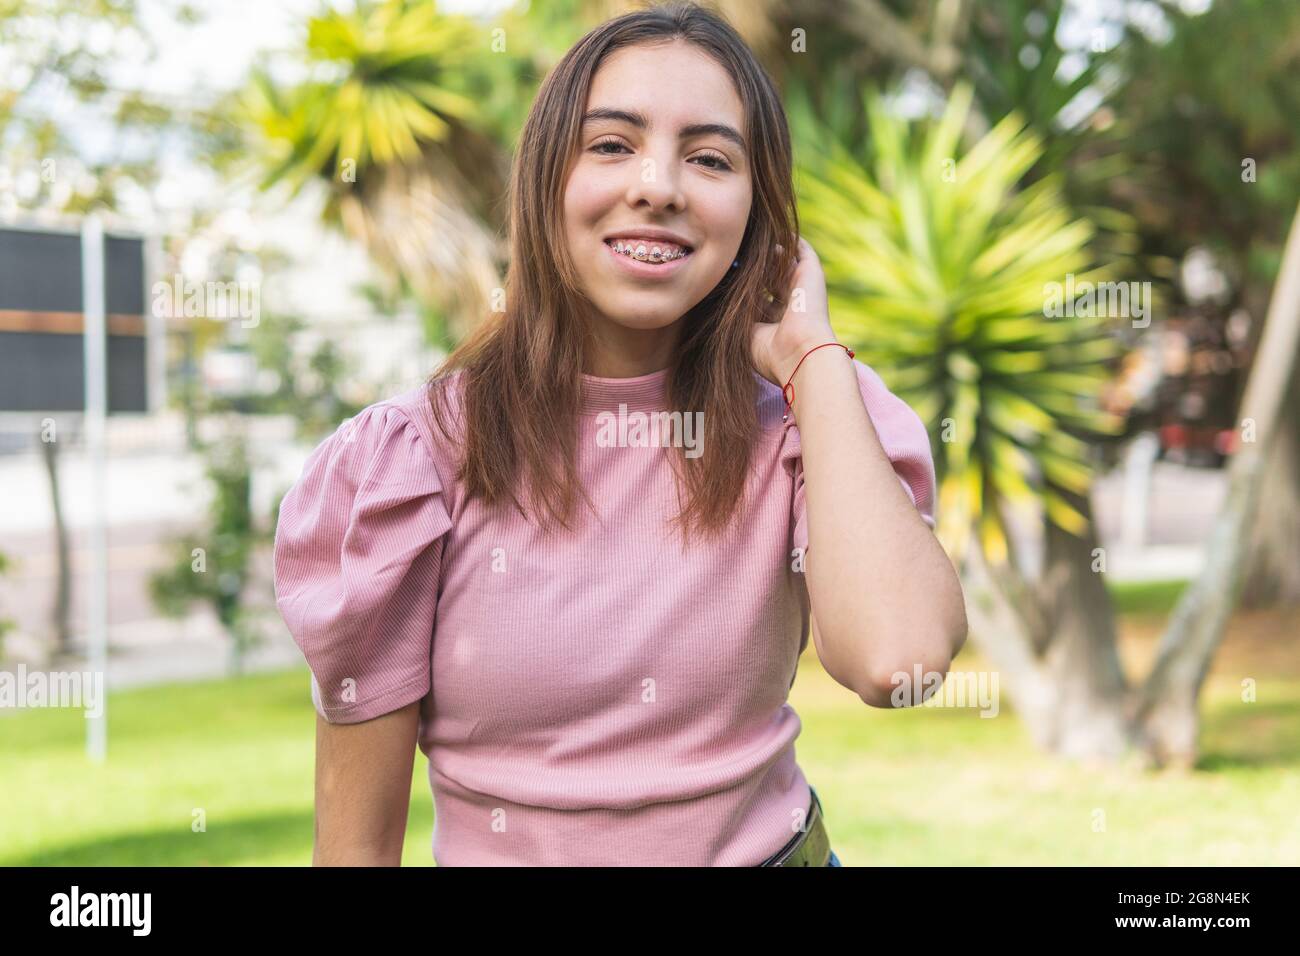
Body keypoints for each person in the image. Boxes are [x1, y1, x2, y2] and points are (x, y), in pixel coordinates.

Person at [273, 1, 967, 867]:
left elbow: (897, 661)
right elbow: (354, 854)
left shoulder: (811, 414)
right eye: (612, 144)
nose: (659, 187)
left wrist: (814, 357)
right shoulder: (413, 461)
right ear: (544, 180)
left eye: (711, 158)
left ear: (759, 212)